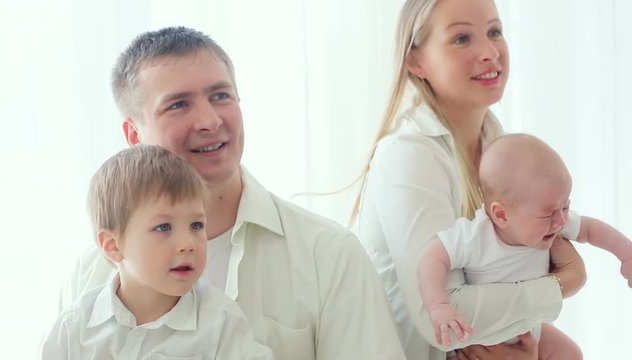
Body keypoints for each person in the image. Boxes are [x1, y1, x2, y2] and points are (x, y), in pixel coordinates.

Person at [58, 27, 406, 360]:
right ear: (134, 135)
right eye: (179, 104)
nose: (209, 120)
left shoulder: (329, 255)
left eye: (220, 96)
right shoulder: (91, 274)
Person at [354, 1, 587, 359]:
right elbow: (445, 314)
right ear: (416, 62)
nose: (490, 52)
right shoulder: (410, 155)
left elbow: (509, 270)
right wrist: (561, 283)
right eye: (462, 38)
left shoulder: (497, 142)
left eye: (494, 32)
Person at [40, 145, 274, 359]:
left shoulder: (222, 324)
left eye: (196, 225)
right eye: (164, 227)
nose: (188, 243)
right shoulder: (74, 328)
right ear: (112, 246)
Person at [418, 134, 632, 358]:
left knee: (570, 353)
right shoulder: (475, 238)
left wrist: (626, 253)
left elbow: (590, 230)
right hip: (479, 339)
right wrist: (439, 306)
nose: (561, 222)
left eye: (566, 208)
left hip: (526, 328)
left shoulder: (551, 220)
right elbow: (431, 259)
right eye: (548, 214)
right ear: (501, 215)